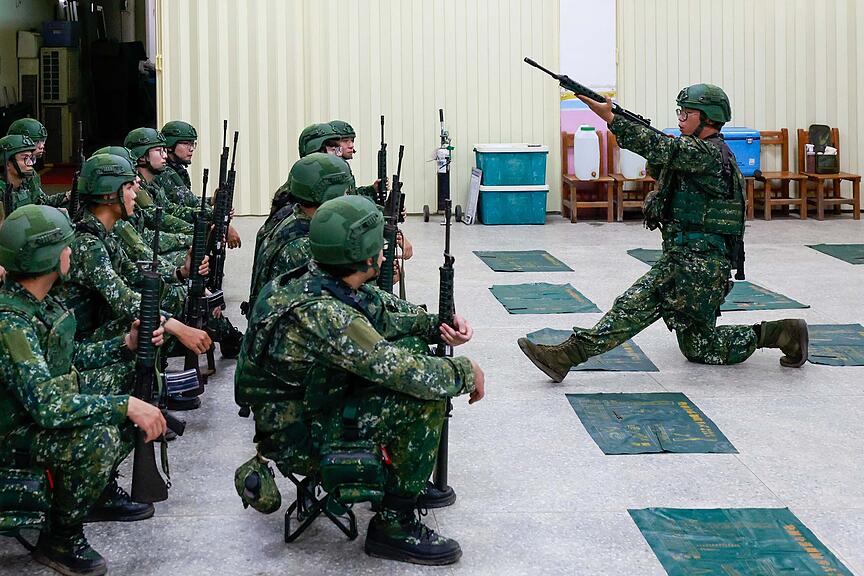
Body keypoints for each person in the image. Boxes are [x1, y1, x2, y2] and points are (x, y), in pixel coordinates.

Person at [235, 195, 484, 565]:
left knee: (416, 347)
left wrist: (438, 326)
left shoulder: (321, 279)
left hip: (311, 401)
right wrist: (466, 372)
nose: (384, 253)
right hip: (298, 436)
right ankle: (394, 525)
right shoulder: (324, 314)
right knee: (424, 396)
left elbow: (384, 317)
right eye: (378, 246)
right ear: (363, 257)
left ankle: (397, 484)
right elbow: (400, 370)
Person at [518, 84, 809, 382]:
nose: (680, 118)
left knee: (630, 308)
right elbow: (659, 165)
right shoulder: (695, 151)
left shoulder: (708, 154)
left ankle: (566, 356)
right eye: (679, 112)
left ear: (708, 118)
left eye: (687, 113)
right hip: (695, 260)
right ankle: (782, 333)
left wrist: (611, 117)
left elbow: (660, 148)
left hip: (695, 265)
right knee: (700, 347)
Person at [0, 204, 167, 576]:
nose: (71, 253)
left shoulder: (38, 303)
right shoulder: (11, 323)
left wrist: (126, 344)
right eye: (66, 246)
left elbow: (69, 358)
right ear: (47, 256)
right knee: (101, 438)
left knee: (132, 386)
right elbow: (48, 406)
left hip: (31, 418)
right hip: (12, 436)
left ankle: (93, 490)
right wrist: (123, 405)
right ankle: (60, 537)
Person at [246, 153, 352, 315]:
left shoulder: (289, 214)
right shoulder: (304, 245)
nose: (347, 197)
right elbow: (336, 305)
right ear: (328, 194)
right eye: (344, 192)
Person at [156, 120, 241, 249]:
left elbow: (186, 199)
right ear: (170, 145)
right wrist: (220, 219)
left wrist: (212, 201)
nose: (191, 149)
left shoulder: (178, 170)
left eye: (193, 144)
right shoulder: (166, 172)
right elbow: (190, 203)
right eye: (186, 143)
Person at [6, 118, 66, 208]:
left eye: (43, 141)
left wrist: (68, 196)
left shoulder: (30, 173)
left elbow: (41, 201)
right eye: (36, 142)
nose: (42, 146)